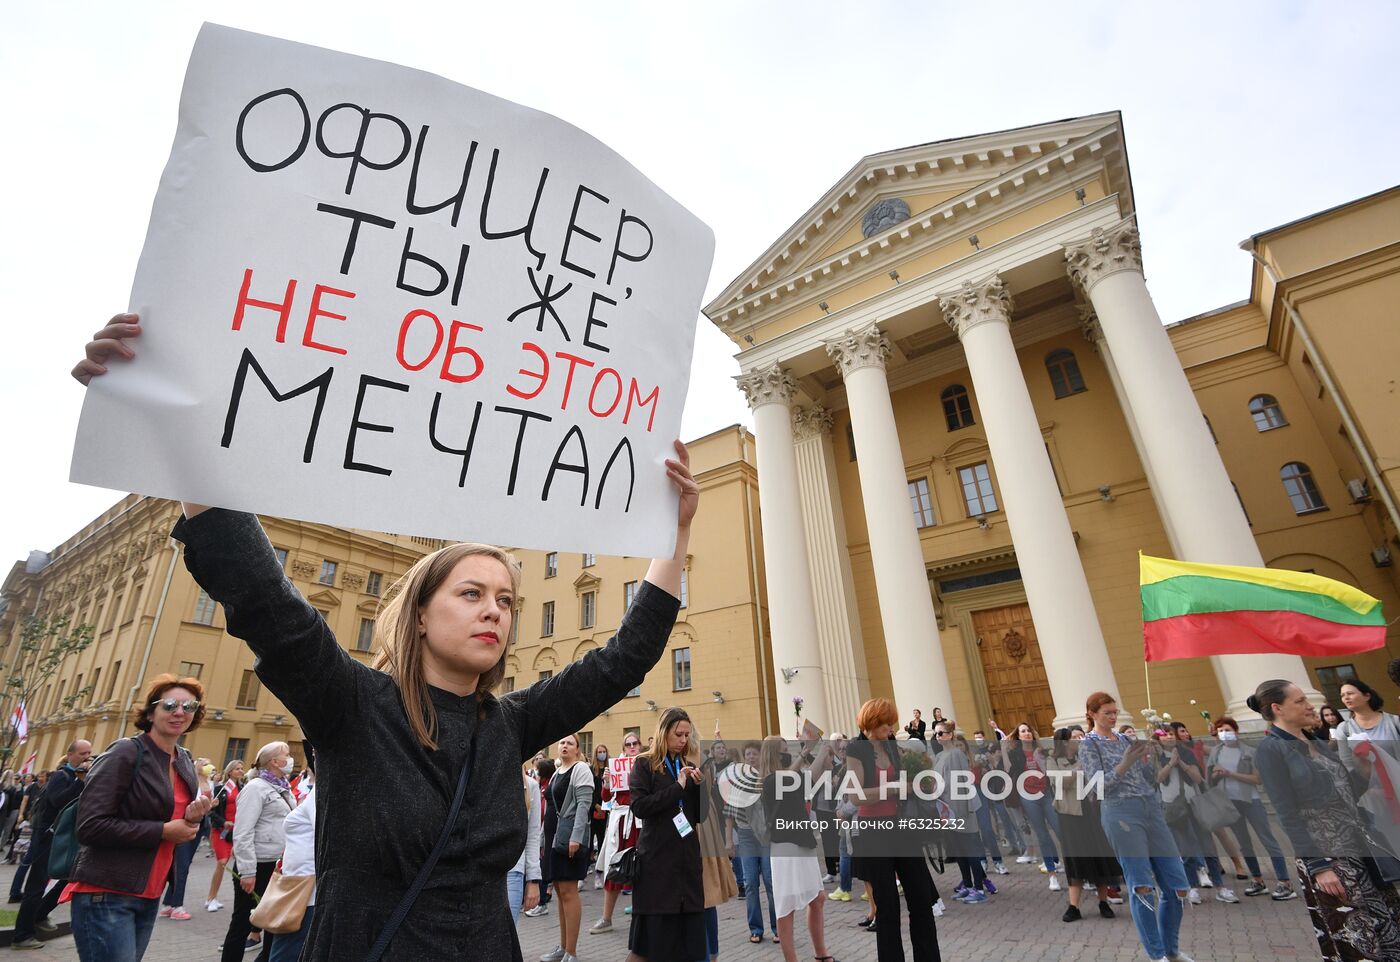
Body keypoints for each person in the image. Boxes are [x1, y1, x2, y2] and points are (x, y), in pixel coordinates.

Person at [75, 315, 698, 962]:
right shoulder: (352, 704)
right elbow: (261, 592)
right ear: (421, 615)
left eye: (507, 600)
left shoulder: (510, 723)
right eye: (472, 593)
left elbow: (624, 658)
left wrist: (673, 535)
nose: (496, 611)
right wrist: (166, 411)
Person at [1252, 678, 1400, 962]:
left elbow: (1343, 792)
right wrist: (1318, 867)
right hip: (1328, 858)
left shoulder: (1317, 741)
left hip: (1360, 849)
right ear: (1277, 708)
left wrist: (1364, 767)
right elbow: (1286, 813)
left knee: (1387, 925)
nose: (1310, 706)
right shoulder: (1270, 750)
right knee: (1359, 940)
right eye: (1300, 702)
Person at [66, 675, 212, 962]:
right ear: (150, 712)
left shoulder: (182, 759)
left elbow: (169, 819)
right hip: (106, 891)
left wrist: (192, 818)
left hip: (148, 891)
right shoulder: (125, 752)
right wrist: (162, 831)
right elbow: (89, 826)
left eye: (189, 706)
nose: (180, 712)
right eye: (169, 705)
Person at [1079, 691, 1194, 962]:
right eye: (1106, 712)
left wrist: (1152, 755)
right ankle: (1157, 954)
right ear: (1093, 714)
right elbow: (1097, 786)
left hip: (1150, 807)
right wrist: (1124, 763)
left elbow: (1149, 778)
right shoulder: (1088, 744)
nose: (1112, 716)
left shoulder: (1125, 739)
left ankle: (1171, 948)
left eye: (1114, 711)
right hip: (1120, 811)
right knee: (1141, 885)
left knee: (1178, 884)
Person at [845, 697, 939, 962]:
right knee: (887, 905)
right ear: (872, 723)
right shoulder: (856, 750)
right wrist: (894, 787)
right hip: (873, 831)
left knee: (921, 898)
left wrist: (921, 781)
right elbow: (856, 796)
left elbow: (910, 781)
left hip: (902, 827)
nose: (890, 729)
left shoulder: (894, 747)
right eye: (886, 724)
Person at [626, 707, 708, 962]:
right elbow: (640, 808)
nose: (684, 740)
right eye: (679, 734)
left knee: (688, 945)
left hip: (686, 862)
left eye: (687, 735)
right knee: (651, 946)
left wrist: (700, 788)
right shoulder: (644, 763)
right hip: (657, 864)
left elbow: (698, 817)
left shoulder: (688, 765)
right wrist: (677, 787)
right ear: (664, 733)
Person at [759, 735, 835, 962]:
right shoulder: (770, 780)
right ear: (774, 754)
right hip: (784, 845)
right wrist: (807, 751)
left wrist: (824, 750)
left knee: (817, 897)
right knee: (786, 905)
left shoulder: (790, 775)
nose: (787, 754)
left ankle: (821, 954)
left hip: (802, 840)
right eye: (783, 750)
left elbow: (811, 777)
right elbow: (788, 780)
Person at [11, 739, 93, 949]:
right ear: (70, 754)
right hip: (47, 837)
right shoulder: (60, 776)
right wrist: (80, 782)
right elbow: (58, 801)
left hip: (64, 838)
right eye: (83, 753)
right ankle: (22, 935)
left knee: (69, 878)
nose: (87, 757)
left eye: (89, 753)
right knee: (36, 886)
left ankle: (40, 914)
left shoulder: (78, 778)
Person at [1204, 716, 1295, 900]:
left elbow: (1257, 779)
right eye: (1221, 731)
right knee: (1244, 844)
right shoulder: (1216, 752)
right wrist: (1216, 775)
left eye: (1228, 730)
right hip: (1231, 803)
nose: (1224, 734)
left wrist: (1231, 774)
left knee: (1268, 840)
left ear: (1236, 731)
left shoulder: (1249, 752)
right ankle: (1257, 879)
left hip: (1251, 800)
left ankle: (1284, 881)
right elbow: (1210, 778)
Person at [222, 741, 296, 962]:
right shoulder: (255, 788)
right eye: (287, 755)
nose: (291, 759)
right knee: (242, 924)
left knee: (272, 923)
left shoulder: (283, 786)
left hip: (276, 864)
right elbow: (243, 832)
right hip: (257, 865)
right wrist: (247, 871)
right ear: (274, 761)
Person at [1152, 726, 1236, 904]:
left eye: (1170, 734)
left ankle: (1220, 887)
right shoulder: (1156, 758)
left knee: (1207, 846)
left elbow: (1198, 779)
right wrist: (1170, 763)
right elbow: (1157, 779)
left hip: (1193, 804)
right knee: (1186, 850)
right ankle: (1193, 887)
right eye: (1164, 735)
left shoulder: (1186, 753)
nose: (1168, 737)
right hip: (1173, 808)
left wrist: (1180, 762)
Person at [1046, 727, 1120, 922]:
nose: (1080, 740)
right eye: (1075, 738)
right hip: (1070, 815)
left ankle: (1103, 902)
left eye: (1081, 737)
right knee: (1076, 860)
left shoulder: (1089, 756)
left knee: (1099, 856)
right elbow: (1059, 782)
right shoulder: (1053, 760)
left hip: (1092, 812)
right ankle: (1074, 907)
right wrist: (1079, 768)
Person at [540, 733, 593, 962]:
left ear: (578, 749)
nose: (564, 745)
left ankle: (571, 951)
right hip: (555, 837)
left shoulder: (580, 769)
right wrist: (544, 839)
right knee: (561, 893)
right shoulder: (556, 773)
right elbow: (551, 808)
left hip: (570, 837)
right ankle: (563, 947)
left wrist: (576, 837)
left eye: (569, 743)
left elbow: (583, 804)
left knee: (569, 892)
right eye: (561, 742)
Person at [1333, 677, 1400, 857]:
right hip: (1374, 797)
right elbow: (1346, 764)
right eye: (1342, 695)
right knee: (1391, 841)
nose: (1346, 698)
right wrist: (1368, 789)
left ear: (1367, 695)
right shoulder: (1344, 729)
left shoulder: (1394, 722)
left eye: (1350, 693)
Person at [591, 734, 642, 934]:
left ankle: (642, 916)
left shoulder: (648, 763)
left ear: (639, 745)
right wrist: (606, 782)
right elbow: (606, 798)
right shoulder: (617, 766)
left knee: (642, 868)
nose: (631, 747)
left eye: (635, 743)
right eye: (628, 744)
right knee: (615, 867)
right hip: (621, 824)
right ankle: (606, 917)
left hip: (640, 823)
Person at [728, 740, 778, 944]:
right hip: (747, 836)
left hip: (766, 836)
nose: (751, 757)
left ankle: (778, 928)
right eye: (747, 754)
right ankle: (756, 928)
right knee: (750, 883)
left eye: (754, 753)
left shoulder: (767, 779)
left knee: (770, 880)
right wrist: (728, 840)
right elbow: (729, 813)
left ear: (760, 755)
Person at [1002, 721, 1061, 884]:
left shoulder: (1041, 751)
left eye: (1028, 730)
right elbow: (1008, 769)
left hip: (1046, 794)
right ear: (1018, 736)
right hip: (1028, 797)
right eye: (1023, 731)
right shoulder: (1015, 753)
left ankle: (1072, 868)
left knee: (1059, 829)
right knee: (1042, 834)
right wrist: (1004, 747)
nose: (1027, 733)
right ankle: (1052, 874)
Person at [933, 731, 988, 904]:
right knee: (958, 849)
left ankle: (979, 888)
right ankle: (968, 884)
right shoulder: (939, 755)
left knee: (969, 848)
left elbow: (962, 780)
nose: (938, 735)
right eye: (936, 733)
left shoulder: (957, 754)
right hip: (947, 808)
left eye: (941, 732)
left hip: (963, 807)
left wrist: (964, 809)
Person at [697, 734, 739, 962]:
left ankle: (710, 955)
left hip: (704, 838)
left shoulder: (703, 766)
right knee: (705, 902)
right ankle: (710, 954)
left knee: (706, 900)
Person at [159, 756, 213, 922]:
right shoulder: (192, 781)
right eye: (205, 764)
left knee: (184, 863)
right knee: (181, 866)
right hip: (186, 822)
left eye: (209, 764)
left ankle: (168, 903)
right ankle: (177, 906)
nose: (208, 767)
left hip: (201, 823)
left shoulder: (209, 782)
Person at [206, 759, 245, 912]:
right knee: (222, 862)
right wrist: (224, 822)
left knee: (238, 865)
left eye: (242, 768)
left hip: (237, 831)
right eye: (237, 769)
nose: (241, 771)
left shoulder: (243, 788)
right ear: (230, 771)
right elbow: (211, 812)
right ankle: (211, 897)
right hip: (222, 831)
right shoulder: (221, 789)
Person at [508, 765, 543, 925]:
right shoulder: (483, 778)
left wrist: (533, 880)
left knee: (507, 936)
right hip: (481, 873)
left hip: (513, 872)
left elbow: (533, 836)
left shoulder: (531, 786)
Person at [589, 744, 610, 884]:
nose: (602, 754)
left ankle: (599, 874)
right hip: (592, 809)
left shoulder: (609, 769)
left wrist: (605, 807)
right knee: (589, 841)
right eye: (599, 752)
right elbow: (589, 790)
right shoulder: (591, 770)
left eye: (604, 752)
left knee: (602, 841)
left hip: (606, 809)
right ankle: (585, 871)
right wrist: (596, 805)